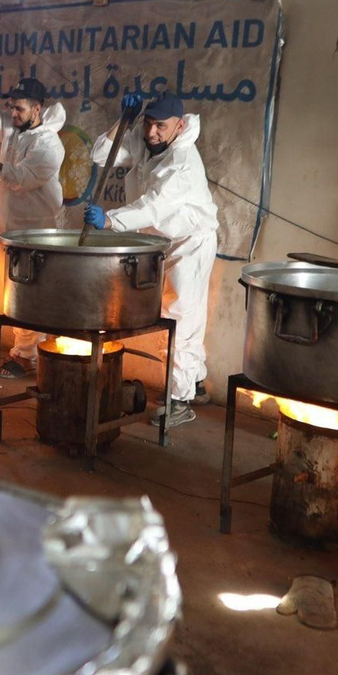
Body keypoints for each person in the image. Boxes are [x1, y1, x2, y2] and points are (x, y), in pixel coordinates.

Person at [83, 90, 218, 430]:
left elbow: (153, 207)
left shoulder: (182, 163)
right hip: (162, 241)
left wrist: (111, 221)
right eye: (148, 123)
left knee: (180, 319)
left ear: (180, 125)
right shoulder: (146, 140)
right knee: (181, 315)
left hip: (190, 243)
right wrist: (123, 119)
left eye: (160, 126)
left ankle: (179, 400)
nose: (151, 133)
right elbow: (100, 154)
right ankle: (195, 382)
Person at [0, 50, 66, 378]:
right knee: (19, 290)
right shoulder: (14, 131)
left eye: (19, 108)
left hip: (39, 231)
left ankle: (30, 355)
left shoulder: (49, 144)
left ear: (37, 109)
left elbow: (23, 178)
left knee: (32, 292)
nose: (12, 113)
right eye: (11, 106)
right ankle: (29, 353)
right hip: (14, 229)